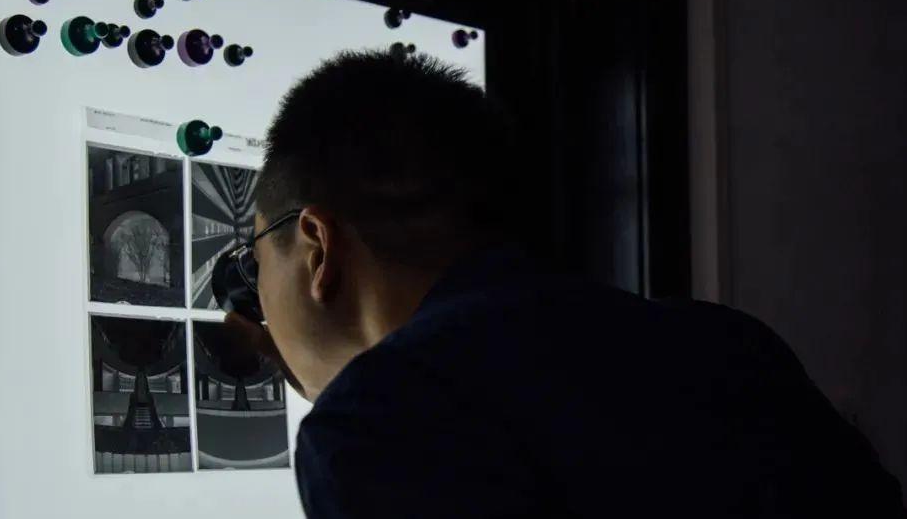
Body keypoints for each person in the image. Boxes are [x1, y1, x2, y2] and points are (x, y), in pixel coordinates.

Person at [221, 50, 904, 518]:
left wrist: (358, 406)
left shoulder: (377, 421)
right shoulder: (727, 342)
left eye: (256, 258)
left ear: (317, 245)